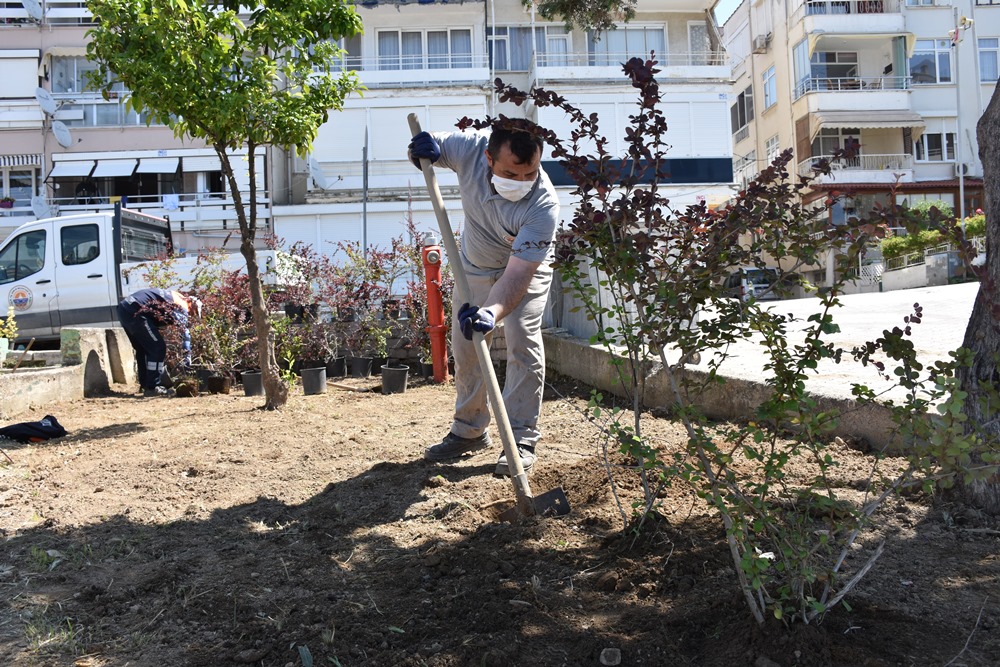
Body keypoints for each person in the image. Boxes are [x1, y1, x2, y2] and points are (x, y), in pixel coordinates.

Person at [408, 123, 559, 475]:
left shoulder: (543, 206)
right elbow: (431, 148)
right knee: (466, 346)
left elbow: (517, 276)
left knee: (522, 340)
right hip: (473, 268)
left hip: (524, 272)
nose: (521, 181)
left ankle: (520, 439)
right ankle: (470, 430)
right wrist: (419, 153)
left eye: (530, 172)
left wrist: (491, 312)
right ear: (488, 158)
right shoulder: (470, 149)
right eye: (510, 172)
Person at [117, 288, 201, 398]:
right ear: (192, 305)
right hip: (135, 310)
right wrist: (187, 356)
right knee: (158, 347)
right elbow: (185, 334)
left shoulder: (176, 296)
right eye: (194, 313)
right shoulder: (183, 305)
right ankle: (153, 387)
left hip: (124, 309)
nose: (192, 316)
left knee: (143, 349)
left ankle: (145, 384)